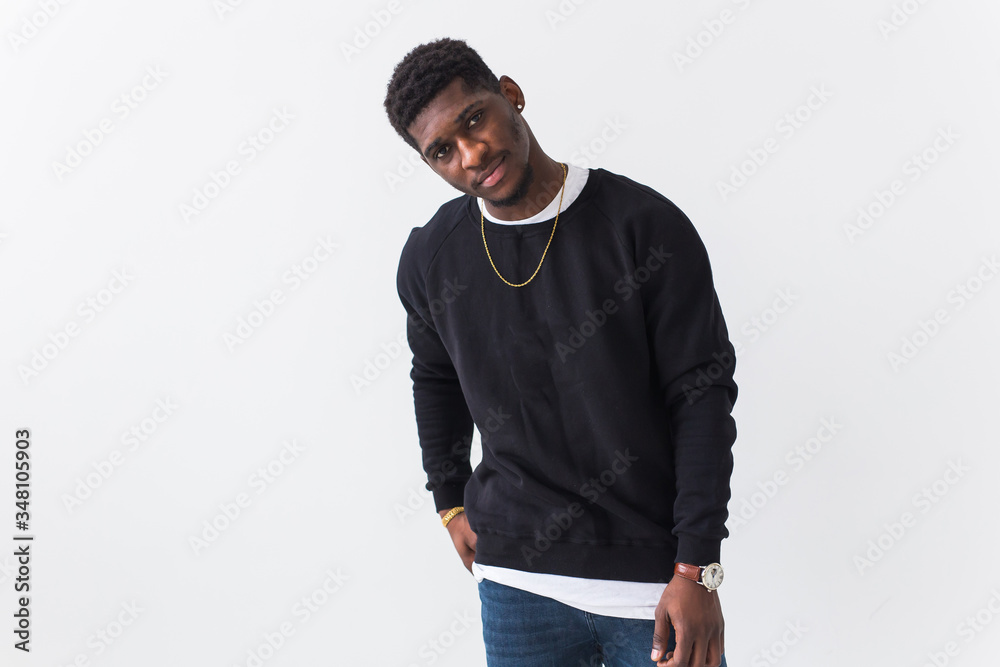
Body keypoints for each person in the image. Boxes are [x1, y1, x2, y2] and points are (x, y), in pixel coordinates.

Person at [385, 37, 737, 667]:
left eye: (475, 119)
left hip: (652, 586)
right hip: (517, 588)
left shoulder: (642, 226)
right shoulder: (432, 258)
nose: (472, 154)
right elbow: (432, 376)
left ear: (511, 95)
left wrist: (697, 566)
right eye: (442, 150)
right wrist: (448, 499)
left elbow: (702, 395)